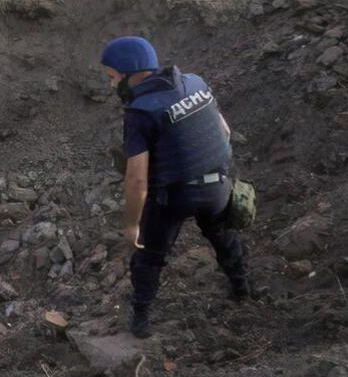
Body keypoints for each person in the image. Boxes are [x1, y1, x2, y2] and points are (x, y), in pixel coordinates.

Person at [100, 36, 249, 338]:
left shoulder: (140, 112)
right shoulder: (195, 83)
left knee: (148, 257)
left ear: (132, 73)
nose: (111, 84)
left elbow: (137, 178)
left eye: (112, 76)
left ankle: (140, 322)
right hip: (217, 188)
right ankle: (242, 290)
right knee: (224, 240)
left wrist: (131, 226)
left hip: (174, 197)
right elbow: (224, 130)